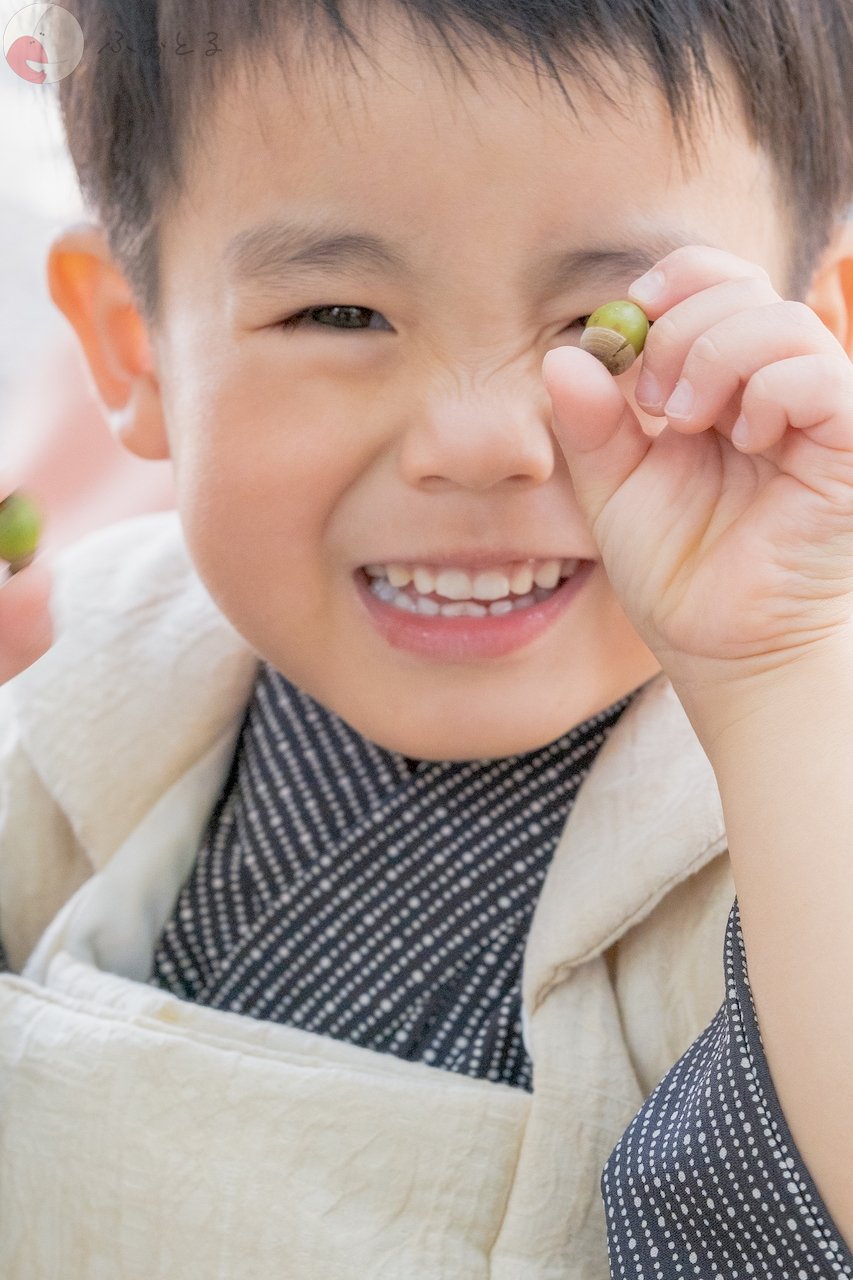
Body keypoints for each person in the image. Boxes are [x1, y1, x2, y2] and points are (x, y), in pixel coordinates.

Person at [1, 1, 852, 1275]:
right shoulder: (97, 666)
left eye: (605, 328)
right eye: (338, 315)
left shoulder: (797, 791)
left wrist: (784, 671)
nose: (480, 442)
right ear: (135, 348)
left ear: (821, 332)